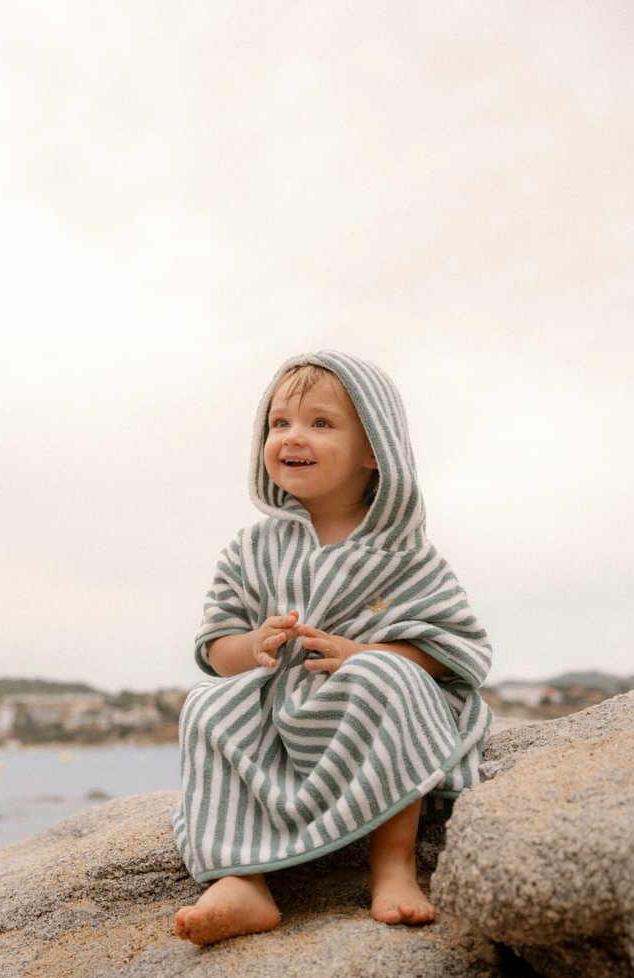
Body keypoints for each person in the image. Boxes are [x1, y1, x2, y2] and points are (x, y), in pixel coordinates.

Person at [171, 350, 492, 946]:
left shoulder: (404, 552)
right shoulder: (251, 548)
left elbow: (456, 647)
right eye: (279, 423)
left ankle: (392, 865)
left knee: (389, 677)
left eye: (321, 423)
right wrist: (253, 645)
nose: (293, 436)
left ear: (376, 450)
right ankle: (242, 878)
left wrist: (366, 655)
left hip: (362, 715)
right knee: (206, 705)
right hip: (278, 715)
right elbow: (217, 647)